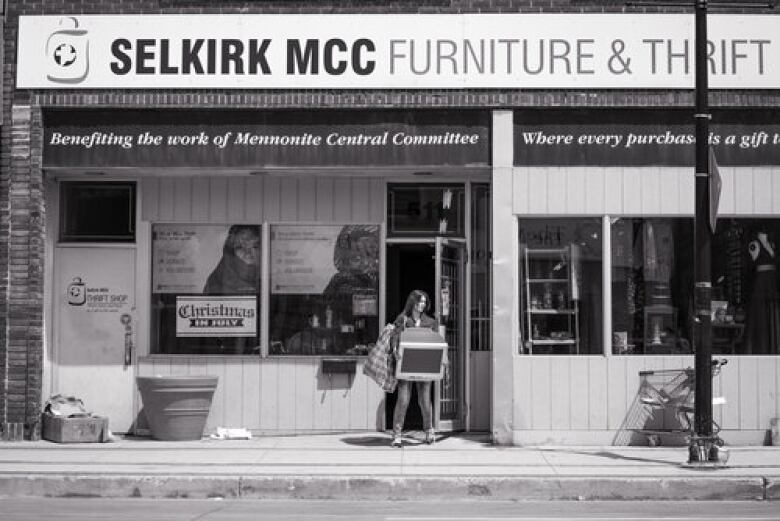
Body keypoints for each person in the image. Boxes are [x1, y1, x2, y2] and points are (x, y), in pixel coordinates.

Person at [390, 289, 444, 448]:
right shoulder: (403, 319)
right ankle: (397, 435)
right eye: (419, 301)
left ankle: (429, 432)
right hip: (405, 365)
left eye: (424, 302)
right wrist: (395, 350)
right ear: (412, 302)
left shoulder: (431, 322)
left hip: (424, 366)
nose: (422, 305)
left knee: (425, 401)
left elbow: (437, 342)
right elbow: (394, 336)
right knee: (403, 400)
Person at [203, 225, 261, 295]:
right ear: (231, 251)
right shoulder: (216, 282)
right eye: (240, 247)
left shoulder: (270, 281)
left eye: (255, 246)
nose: (248, 252)